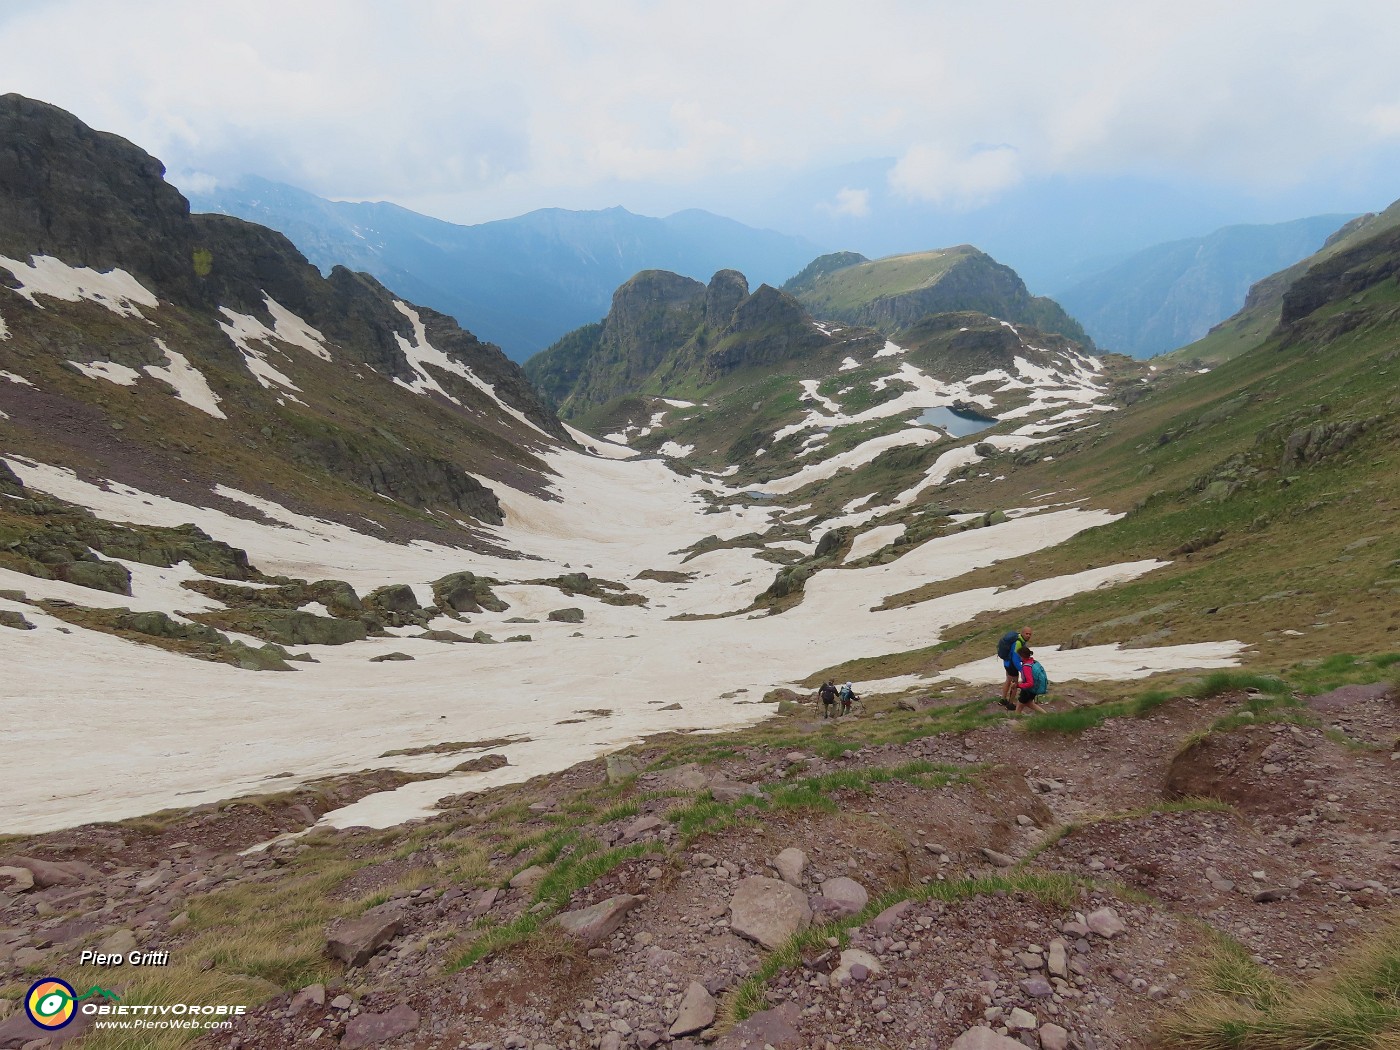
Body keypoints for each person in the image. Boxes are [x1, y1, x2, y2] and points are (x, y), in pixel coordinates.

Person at [997, 626, 1033, 707]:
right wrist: (1021, 670)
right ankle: (1011, 704)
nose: (1028, 636)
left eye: (1030, 634)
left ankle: (1003, 699)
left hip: (1006, 662)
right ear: (1022, 633)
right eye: (1027, 634)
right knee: (1015, 684)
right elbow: (1015, 658)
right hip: (1012, 665)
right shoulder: (1018, 642)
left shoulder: (1018, 639)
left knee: (1008, 680)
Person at [1015, 649, 1049, 714]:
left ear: (1022, 656)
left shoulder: (1026, 667)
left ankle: (1016, 718)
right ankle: (1045, 714)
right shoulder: (1033, 662)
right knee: (1028, 703)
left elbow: (1030, 683)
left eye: (1018, 656)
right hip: (1034, 688)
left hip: (1028, 690)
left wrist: (1018, 685)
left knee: (1020, 705)